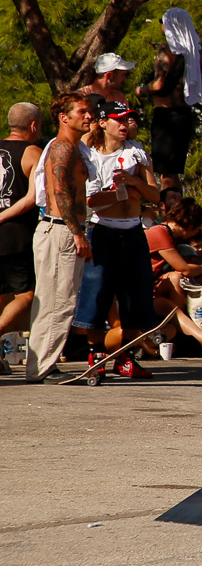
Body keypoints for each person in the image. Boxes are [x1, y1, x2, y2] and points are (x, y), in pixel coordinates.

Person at [83, 103, 164, 375]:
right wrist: (120, 193)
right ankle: (95, 354)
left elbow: (154, 196)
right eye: (118, 120)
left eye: (128, 119)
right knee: (97, 294)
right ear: (103, 122)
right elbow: (90, 201)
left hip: (132, 230)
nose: (124, 125)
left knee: (135, 295)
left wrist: (134, 182)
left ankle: (125, 355)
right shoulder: (91, 155)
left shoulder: (137, 153)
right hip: (102, 230)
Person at [23, 94, 96, 382]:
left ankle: (44, 364)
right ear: (64, 117)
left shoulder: (74, 148)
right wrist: (77, 232)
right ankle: (42, 367)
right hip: (60, 230)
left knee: (62, 299)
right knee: (57, 302)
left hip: (66, 229)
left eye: (89, 112)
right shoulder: (62, 149)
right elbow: (59, 192)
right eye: (82, 112)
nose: (88, 116)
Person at [146, 198, 202, 355]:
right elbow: (184, 269)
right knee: (177, 280)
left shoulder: (171, 237)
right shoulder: (159, 233)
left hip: (155, 291)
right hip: (144, 294)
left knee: (176, 290)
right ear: (191, 227)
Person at [146, 7, 202, 190]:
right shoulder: (192, 53)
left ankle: (170, 212)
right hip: (184, 114)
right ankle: (177, 210)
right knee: (173, 172)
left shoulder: (167, 49)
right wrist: (194, 96)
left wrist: (142, 90)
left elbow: (159, 84)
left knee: (166, 172)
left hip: (166, 116)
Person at [0, 104, 42, 372]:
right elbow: (33, 198)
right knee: (26, 295)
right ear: (34, 126)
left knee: (1, 296)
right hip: (16, 232)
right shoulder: (32, 151)